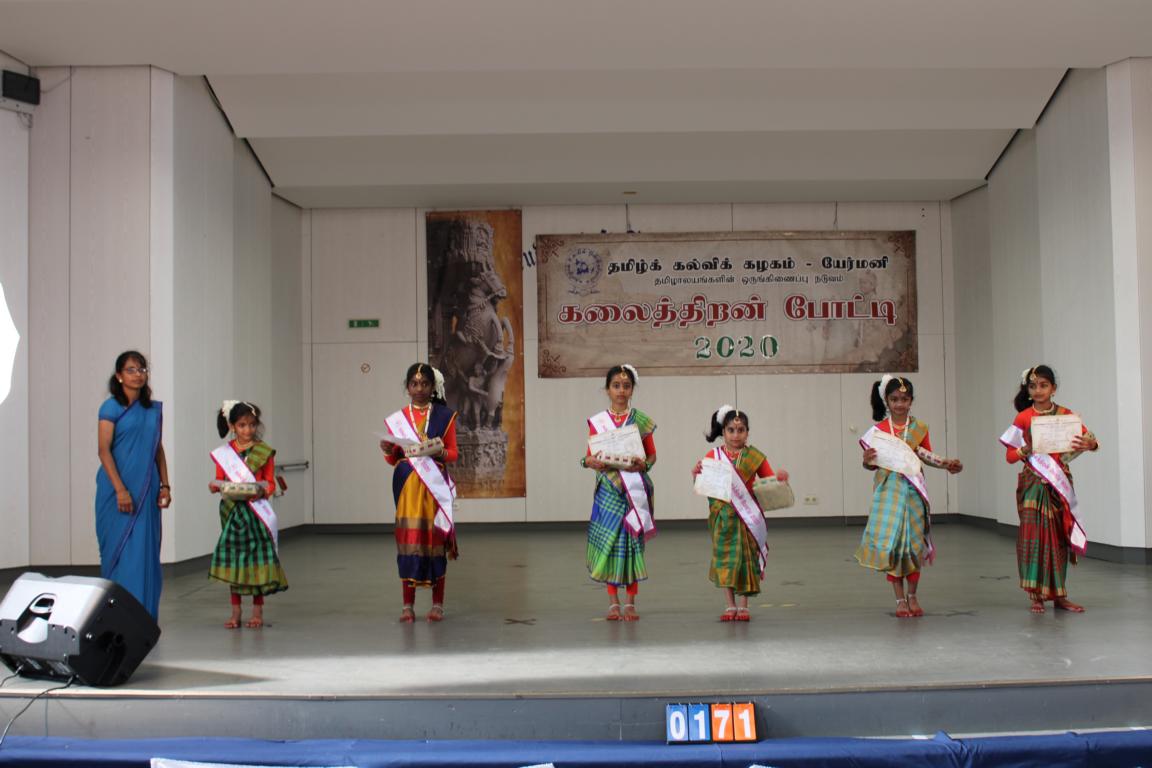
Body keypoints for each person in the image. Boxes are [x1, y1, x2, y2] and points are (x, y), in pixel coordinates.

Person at [858, 375, 962, 618]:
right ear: (887, 401)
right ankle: (899, 600)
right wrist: (866, 461)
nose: (899, 404)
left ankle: (912, 596)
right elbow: (871, 465)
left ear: (911, 401)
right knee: (894, 547)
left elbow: (925, 454)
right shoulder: (878, 431)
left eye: (904, 399)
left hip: (914, 492)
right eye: (894, 399)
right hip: (889, 493)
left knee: (913, 545)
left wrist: (946, 464)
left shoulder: (919, 428)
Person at [1000, 365, 1099, 614]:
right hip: (1033, 483)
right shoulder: (1023, 418)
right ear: (1028, 390)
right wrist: (1026, 449)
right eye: (1033, 386)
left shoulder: (1066, 416)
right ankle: (1036, 595)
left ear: (1053, 388)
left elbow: (1091, 440)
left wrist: (1090, 444)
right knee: (1034, 538)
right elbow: (1010, 456)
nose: (1038, 390)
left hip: (1059, 483)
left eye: (1043, 385)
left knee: (1058, 539)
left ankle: (1059, 595)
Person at [692, 406, 788, 622]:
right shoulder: (714, 455)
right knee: (726, 561)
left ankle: (743, 606)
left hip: (747, 518)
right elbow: (704, 486)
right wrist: (695, 473)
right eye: (731, 430)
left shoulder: (755, 457)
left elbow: (769, 482)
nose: (736, 435)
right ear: (723, 431)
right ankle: (730, 605)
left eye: (741, 430)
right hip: (723, 518)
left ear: (747, 432)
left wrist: (780, 479)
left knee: (746, 560)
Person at [380, 363, 459, 623]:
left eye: (424, 384)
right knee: (408, 542)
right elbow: (393, 459)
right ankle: (407, 606)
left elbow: (453, 453)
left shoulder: (444, 416)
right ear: (407, 387)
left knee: (435, 543)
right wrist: (387, 449)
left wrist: (440, 451)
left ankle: (437, 605)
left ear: (432, 386)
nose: (419, 389)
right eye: (414, 384)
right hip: (407, 489)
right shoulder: (399, 419)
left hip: (433, 488)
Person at [95, 350, 171, 619]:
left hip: (146, 490)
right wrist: (120, 490)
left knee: (144, 553)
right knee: (119, 552)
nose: (138, 375)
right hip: (116, 491)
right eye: (131, 370)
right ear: (119, 375)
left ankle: (144, 618)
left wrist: (165, 485)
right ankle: (117, 617)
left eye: (142, 369)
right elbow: (104, 451)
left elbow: (157, 449)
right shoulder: (111, 408)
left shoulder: (152, 410)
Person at [582, 364, 656, 621]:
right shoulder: (598, 422)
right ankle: (613, 601)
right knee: (610, 544)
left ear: (632, 390)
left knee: (632, 544)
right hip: (609, 491)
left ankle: (630, 602)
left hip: (634, 491)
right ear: (607, 389)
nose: (621, 390)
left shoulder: (640, 420)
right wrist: (590, 462)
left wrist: (643, 465)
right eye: (616, 386)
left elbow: (652, 455)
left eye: (626, 386)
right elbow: (588, 456)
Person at [208, 401, 287, 629]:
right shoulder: (225, 454)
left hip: (256, 513)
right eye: (242, 425)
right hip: (233, 513)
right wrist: (215, 486)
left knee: (256, 561)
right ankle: (236, 611)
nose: (248, 430)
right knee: (235, 561)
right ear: (232, 426)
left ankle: (257, 611)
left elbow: (270, 483)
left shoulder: (264, 451)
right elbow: (220, 480)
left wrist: (262, 490)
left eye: (252, 425)